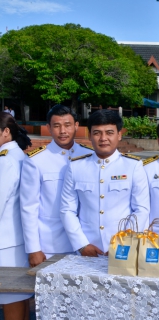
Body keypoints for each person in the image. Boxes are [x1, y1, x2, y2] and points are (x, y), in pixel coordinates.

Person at [60, 110, 150, 256]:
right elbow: (67, 209)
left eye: (109, 132)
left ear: (119, 135)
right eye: (97, 133)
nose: (103, 138)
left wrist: (124, 243)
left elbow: (141, 209)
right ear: (89, 135)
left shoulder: (133, 166)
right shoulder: (76, 167)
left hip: (122, 250)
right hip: (87, 249)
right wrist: (82, 245)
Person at [20, 105, 93, 267]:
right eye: (57, 126)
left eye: (67, 125)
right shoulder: (36, 160)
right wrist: (33, 248)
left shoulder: (89, 156)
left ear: (76, 126)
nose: (62, 131)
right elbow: (28, 207)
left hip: (88, 242)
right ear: (48, 128)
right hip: (52, 244)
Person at [0, 113, 31, 320]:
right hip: (15, 242)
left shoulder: (6, 161)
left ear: (6, 132)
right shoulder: (18, 156)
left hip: (6, 245)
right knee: (19, 299)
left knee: (11, 300)